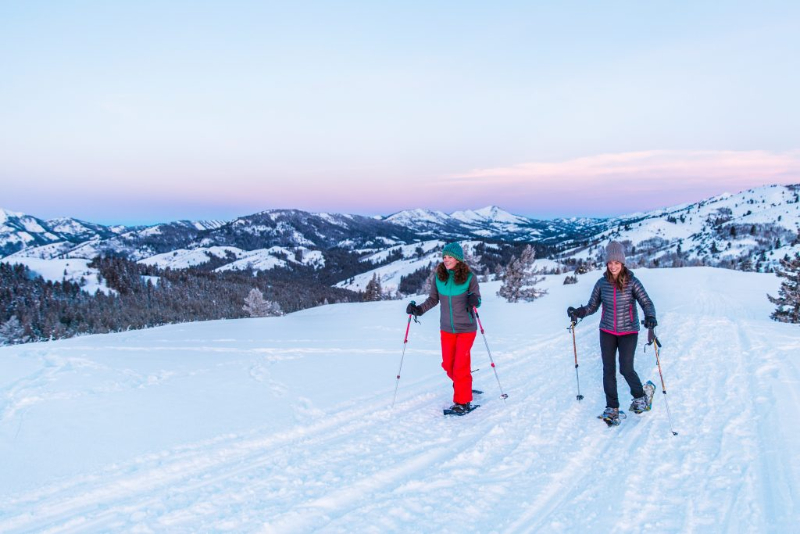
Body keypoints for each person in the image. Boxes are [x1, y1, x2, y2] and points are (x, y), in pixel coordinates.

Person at [567, 241, 657, 424]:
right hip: (607, 330)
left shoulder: (632, 282)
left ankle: (640, 397)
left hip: (629, 331)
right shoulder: (602, 283)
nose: (613, 266)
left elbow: (647, 303)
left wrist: (650, 317)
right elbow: (592, 306)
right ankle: (612, 408)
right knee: (608, 370)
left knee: (626, 368)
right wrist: (579, 312)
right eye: (610, 262)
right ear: (607, 264)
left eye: (617, 262)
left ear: (622, 263)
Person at [405, 242, 481, 415]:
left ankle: (462, 401)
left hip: (466, 328)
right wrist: (419, 310)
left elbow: (478, 298)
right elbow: (433, 299)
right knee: (448, 364)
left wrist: (474, 301)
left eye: (450, 257)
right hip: (446, 328)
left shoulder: (469, 277)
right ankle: (464, 385)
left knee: (460, 365)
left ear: (458, 259)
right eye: (444, 257)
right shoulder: (439, 277)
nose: (446, 260)